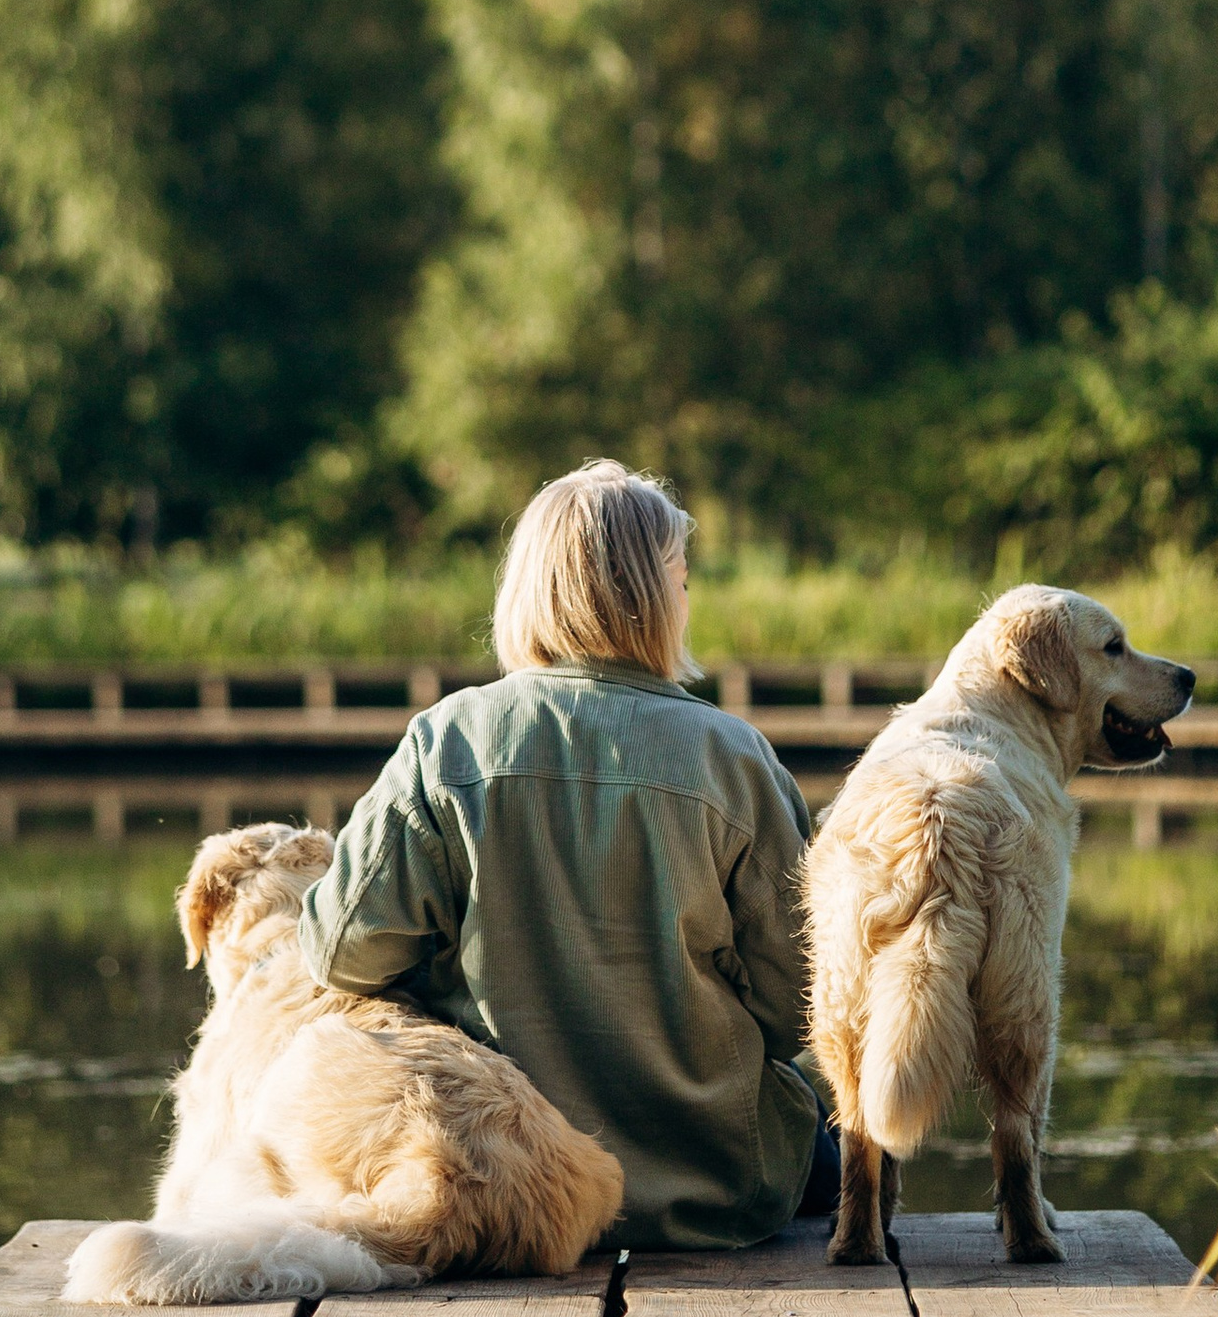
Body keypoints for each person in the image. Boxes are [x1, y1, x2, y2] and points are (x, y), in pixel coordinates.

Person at [297, 458, 833, 1250]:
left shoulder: (448, 740)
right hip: (719, 1189)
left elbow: (341, 954)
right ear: (656, 599)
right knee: (828, 1134)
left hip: (505, 1182)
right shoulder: (738, 757)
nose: (687, 600)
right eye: (681, 582)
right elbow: (805, 1004)